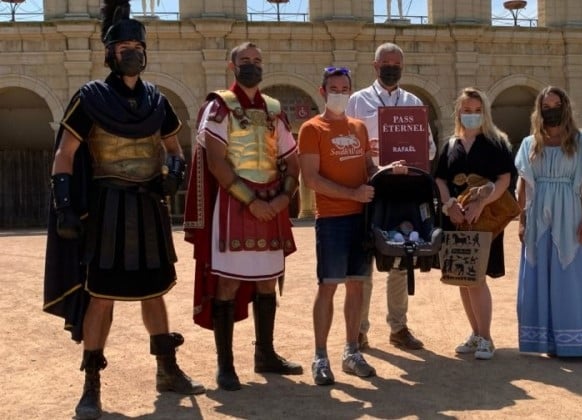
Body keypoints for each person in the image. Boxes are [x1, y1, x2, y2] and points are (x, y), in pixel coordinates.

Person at [42, 1, 204, 418]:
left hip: (149, 206)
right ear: (110, 53)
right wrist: (63, 207)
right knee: (102, 297)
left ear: (145, 50)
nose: (131, 50)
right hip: (107, 208)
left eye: (137, 44)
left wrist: (174, 172)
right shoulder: (91, 97)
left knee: (155, 292)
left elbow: (173, 148)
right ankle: (91, 383)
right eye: (123, 45)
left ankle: (167, 370)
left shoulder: (157, 100)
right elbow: (65, 153)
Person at [183, 42, 303, 391]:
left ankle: (265, 354)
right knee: (228, 281)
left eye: (257, 61)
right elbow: (217, 162)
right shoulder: (219, 107)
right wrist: (251, 201)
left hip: (271, 202)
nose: (252, 66)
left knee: (267, 281)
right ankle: (226, 366)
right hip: (235, 203)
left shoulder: (274, 110)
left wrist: (284, 198)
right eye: (245, 61)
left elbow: (292, 160)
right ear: (232, 66)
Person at [346, 42, 436, 351]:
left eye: (396, 64)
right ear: (375, 66)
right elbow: (343, 143)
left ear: (402, 67)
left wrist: (414, 150)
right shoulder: (357, 101)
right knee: (366, 259)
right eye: (386, 63)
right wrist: (365, 150)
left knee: (401, 255)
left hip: (404, 192)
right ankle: (359, 330)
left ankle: (398, 328)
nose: (391, 68)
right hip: (369, 189)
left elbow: (431, 149)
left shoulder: (413, 102)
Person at [298, 66, 383, 385]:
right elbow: (311, 178)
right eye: (333, 88)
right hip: (332, 219)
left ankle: (352, 351)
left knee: (357, 285)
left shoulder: (359, 127)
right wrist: (353, 194)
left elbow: (368, 168)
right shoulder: (312, 128)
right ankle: (320, 356)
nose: (340, 93)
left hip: (360, 219)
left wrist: (387, 170)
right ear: (322, 92)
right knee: (328, 286)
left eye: (344, 88)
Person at [515, 86, 582, 357]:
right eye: (546, 106)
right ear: (539, 110)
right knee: (539, 273)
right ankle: (545, 341)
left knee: (571, 275)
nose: (551, 110)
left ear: (565, 107)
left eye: (556, 105)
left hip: (570, 213)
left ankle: (577, 339)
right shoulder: (529, 144)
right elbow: (524, 185)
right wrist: (521, 220)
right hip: (537, 215)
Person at [433, 87, 515, 360]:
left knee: (477, 279)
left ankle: (487, 338)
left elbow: (505, 179)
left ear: (485, 112)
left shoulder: (496, 142)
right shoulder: (450, 144)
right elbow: (441, 179)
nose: (472, 115)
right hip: (456, 220)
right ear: (459, 112)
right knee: (463, 279)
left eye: (477, 110)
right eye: (467, 110)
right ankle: (475, 333)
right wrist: (449, 205)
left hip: (484, 220)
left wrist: (482, 203)